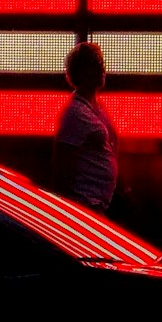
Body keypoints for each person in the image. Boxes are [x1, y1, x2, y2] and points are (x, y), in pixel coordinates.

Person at [51, 41, 119, 213]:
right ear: (83, 72)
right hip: (84, 204)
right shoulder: (75, 113)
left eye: (102, 64)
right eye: (96, 65)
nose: (102, 70)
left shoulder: (97, 107)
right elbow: (61, 165)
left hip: (98, 203)